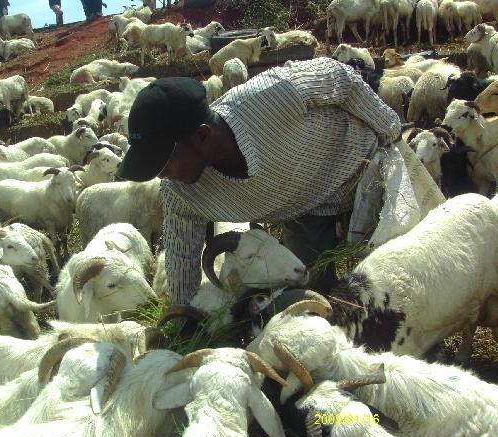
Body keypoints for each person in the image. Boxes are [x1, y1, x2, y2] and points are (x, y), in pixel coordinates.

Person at [117, 57, 402, 306]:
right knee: (314, 292)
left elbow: (341, 77)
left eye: (165, 162)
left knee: (401, 269)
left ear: (203, 136)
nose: (161, 175)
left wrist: (390, 131)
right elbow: (181, 259)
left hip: (368, 171)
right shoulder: (179, 192)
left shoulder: (272, 94)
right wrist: (185, 318)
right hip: (308, 210)